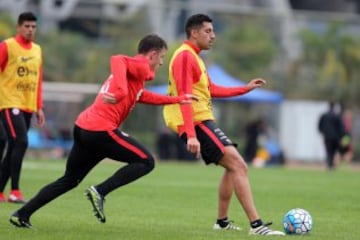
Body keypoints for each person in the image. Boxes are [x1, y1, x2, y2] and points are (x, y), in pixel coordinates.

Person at [9, 34, 196, 228]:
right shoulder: (139, 65)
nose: (162, 62)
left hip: (84, 127)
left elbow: (143, 96)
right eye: (162, 57)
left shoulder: (136, 72)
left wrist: (177, 99)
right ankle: (100, 191)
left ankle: (22, 213)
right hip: (100, 130)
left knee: (69, 180)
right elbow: (117, 58)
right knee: (146, 161)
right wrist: (122, 91)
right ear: (152, 54)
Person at [163, 13, 284, 236]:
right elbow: (184, 97)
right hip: (195, 122)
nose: (213, 36)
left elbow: (212, 89)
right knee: (239, 166)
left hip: (203, 120)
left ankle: (222, 222)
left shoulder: (195, 57)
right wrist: (190, 134)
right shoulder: (184, 56)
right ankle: (257, 226)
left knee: (233, 166)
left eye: (213, 31)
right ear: (194, 32)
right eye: (208, 31)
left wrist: (245, 88)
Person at [0, 12, 46, 203]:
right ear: (19, 27)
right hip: (9, 102)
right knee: (21, 142)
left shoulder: (37, 50)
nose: (30, 30)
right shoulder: (7, 46)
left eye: (33, 27)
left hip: (27, 105)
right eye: (26, 26)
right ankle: (15, 191)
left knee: (14, 146)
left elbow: (38, 79)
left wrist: (39, 106)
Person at [318, 101, 345, 170]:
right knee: (334, 151)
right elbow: (341, 127)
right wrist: (341, 136)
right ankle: (331, 165)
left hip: (327, 137)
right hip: (335, 137)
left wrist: (322, 132)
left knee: (328, 151)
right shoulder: (336, 116)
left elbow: (320, 126)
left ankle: (329, 165)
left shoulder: (324, 115)